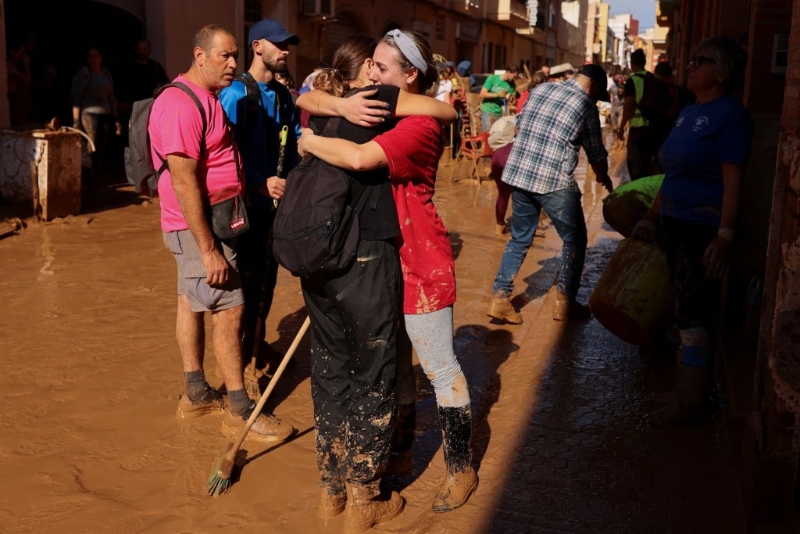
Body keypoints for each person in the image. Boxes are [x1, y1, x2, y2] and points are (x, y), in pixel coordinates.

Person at [298, 29, 475, 526]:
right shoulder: (376, 106)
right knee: (390, 367)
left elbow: (357, 158)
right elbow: (309, 92)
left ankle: (461, 468)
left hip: (420, 260)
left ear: (410, 76)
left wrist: (311, 140)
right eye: (370, 64)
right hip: (375, 260)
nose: (370, 73)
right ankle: (396, 452)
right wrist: (321, 107)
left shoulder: (417, 122)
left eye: (380, 65)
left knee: (439, 368)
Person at [148, 24, 295, 443]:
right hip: (198, 228)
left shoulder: (206, 98)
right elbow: (183, 181)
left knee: (189, 302)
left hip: (208, 223)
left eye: (234, 56)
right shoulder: (180, 105)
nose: (232, 64)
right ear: (199, 56)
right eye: (223, 56)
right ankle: (239, 410)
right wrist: (209, 249)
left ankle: (196, 393)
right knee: (230, 311)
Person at [632, 36, 753, 426]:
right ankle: (686, 390)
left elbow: (733, 181)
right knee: (683, 309)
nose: (689, 66)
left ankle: (692, 401)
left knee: (694, 312)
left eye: (699, 61)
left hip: (702, 229)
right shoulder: (688, 112)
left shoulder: (731, 115)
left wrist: (726, 234)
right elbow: (671, 173)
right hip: (675, 223)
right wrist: (652, 215)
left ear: (721, 73)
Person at [486, 64, 613, 324]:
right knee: (575, 240)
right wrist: (604, 178)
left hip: (519, 175)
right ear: (594, 87)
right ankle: (565, 305)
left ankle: (500, 299)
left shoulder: (541, 89)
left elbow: (519, 125)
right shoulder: (586, 106)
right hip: (553, 181)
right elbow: (595, 152)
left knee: (520, 239)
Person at [218, 19, 303, 373]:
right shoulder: (236, 94)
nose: (285, 51)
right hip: (244, 209)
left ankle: (257, 346)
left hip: (275, 209)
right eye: (279, 44)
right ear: (257, 47)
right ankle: (239, 362)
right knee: (244, 291)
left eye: (288, 45)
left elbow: (297, 145)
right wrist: (259, 182)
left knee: (267, 284)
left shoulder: (284, 96)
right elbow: (222, 154)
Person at [70, 46, 121, 180]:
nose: (92, 59)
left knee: (102, 145)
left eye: (95, 56)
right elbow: (77, 98)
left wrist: (116, 119)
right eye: (90, 56)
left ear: (101, 57)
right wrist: (76, 122)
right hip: (89, 114)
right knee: (91, 146)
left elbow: (111, 97)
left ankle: (98, 176)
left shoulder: (106, 73)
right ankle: (88, 178)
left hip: (105, 113)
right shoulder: (85, 74)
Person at [617, 48, 658, 180]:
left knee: (635, 167)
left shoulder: (632, 81)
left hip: (637, 130)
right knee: (648, 166)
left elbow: (628, 106)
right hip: (653, 130)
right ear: (645, 62)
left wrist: (621, 127)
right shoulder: (654, 79)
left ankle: (638, 196)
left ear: (632, 63)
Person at [478, 65, 519, 132]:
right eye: (514, 76)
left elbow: (506, 100)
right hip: (488, 111)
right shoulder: (492, 79)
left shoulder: (512, 85)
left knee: (497, 136)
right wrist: (497, 95)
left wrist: (505, 115)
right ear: (508, 72)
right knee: (487, 135)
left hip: (499, 113)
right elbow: (482, 94)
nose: (514, 79)